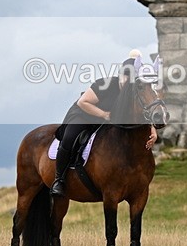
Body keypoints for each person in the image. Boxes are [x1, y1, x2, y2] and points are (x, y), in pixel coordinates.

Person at [50, 50, 158, 197]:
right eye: (126, 77)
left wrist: (152, 129)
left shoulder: (133, 94)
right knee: (69, 137)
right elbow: (84, 102)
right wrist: (104, 115)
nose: (127, 82)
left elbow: (140, 113)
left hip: (108, 122)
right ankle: (59, 180)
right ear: (120, 75)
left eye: (131, 79)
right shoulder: (104, 84)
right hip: (84, 115)